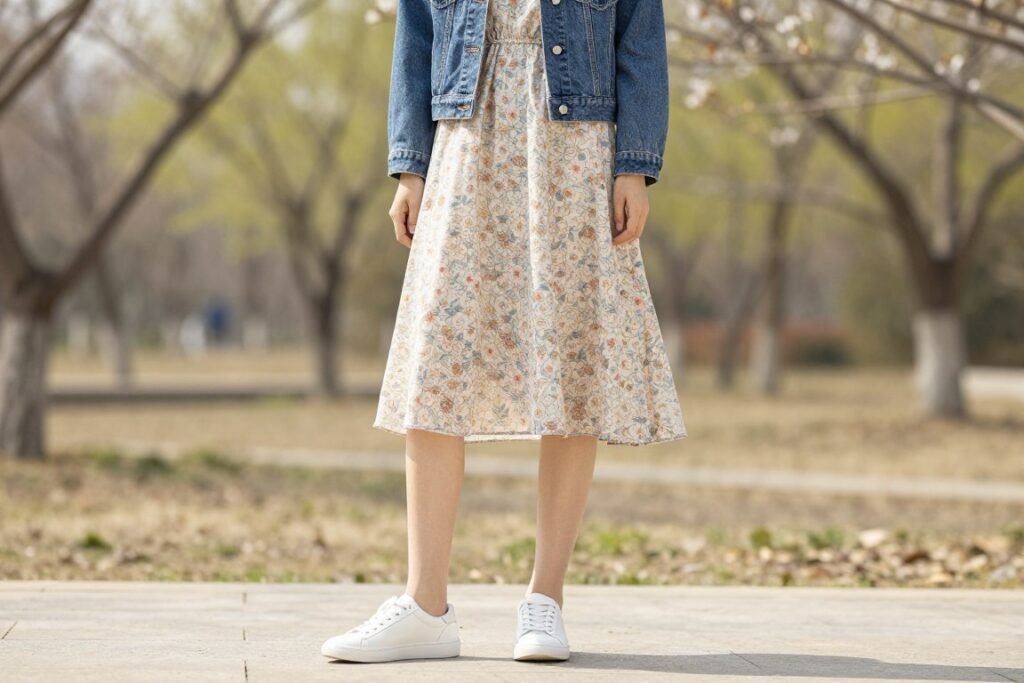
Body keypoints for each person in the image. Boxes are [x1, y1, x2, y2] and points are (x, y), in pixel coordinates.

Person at [322, 0, 686, 664]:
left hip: (575, 146)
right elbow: (416, 35)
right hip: (464, 138)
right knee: (436, 361)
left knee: (574, 358)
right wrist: (411, 165)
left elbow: (640, 37)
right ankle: (425, 604)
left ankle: (545, 597)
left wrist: (634, 163)